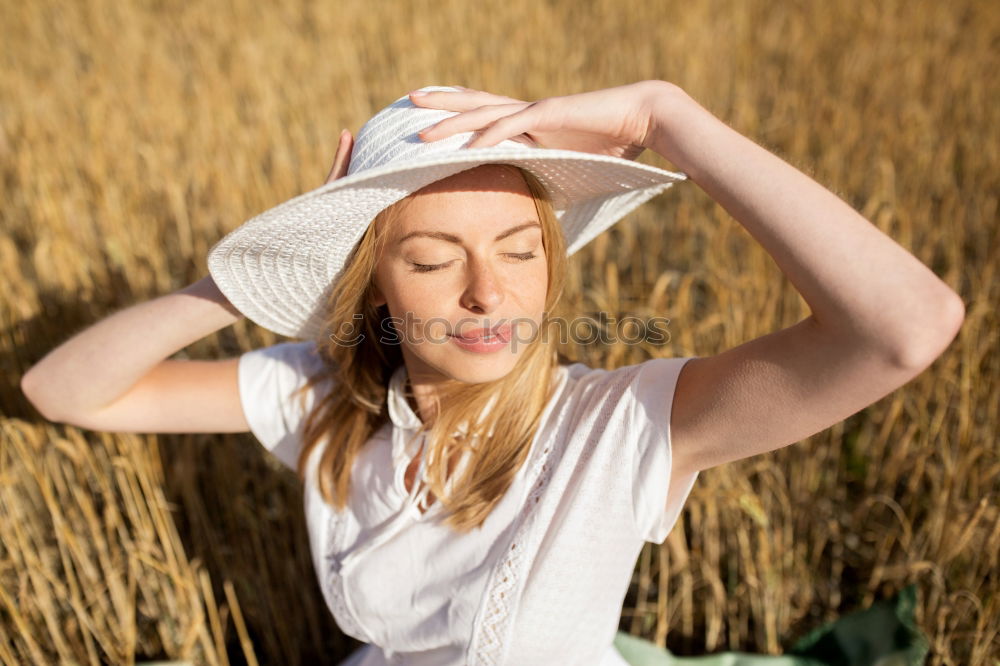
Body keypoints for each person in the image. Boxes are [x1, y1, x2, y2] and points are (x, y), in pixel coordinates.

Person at [19, 81, 962, 665]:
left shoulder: (620, 427)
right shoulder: (324, 397)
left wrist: (663, 115)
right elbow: (63, 393)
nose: (488, 295)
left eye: (519, 249)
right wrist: (255, 279)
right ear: (374, 287)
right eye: (432, 260)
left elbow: (906, 328)